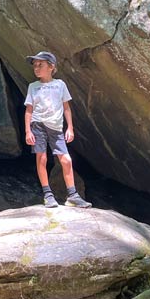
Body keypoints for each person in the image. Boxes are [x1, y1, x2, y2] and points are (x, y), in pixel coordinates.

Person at [23, 51, 92, 208]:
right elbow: (29, 110)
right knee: (42, 158)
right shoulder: (33, 87)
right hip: (38, 125)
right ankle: (48, 195)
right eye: (35, 65)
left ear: (51, 67)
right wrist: (28, 131)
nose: (36, 68)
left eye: (40, 65)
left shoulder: (60, 85)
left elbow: (66, 107)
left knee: (66, 160)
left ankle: (73, 195)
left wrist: (70, 128)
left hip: (56, 127)